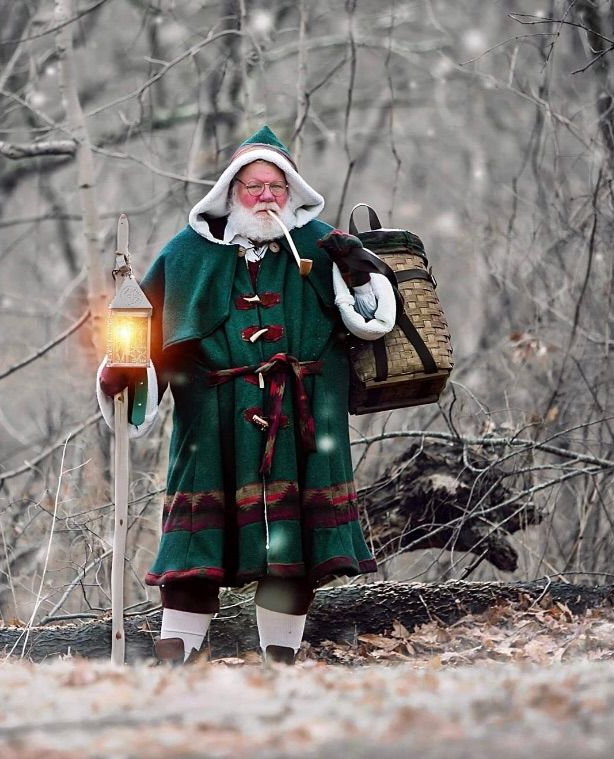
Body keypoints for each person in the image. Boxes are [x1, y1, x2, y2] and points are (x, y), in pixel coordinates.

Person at [96, 126, 395, 665]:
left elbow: (374, 325)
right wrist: (123, 379)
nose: (265, 197)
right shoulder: (188, 256)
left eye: (275, 187)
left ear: (292, 190)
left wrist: (361, 273)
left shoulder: (321, 245)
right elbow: (139, 343)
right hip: (211, 428)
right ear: (232, 191)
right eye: (253, 186)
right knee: (193, 554)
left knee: (291, 558)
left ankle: (278, 670)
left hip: (303, 426)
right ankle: (175, 668)